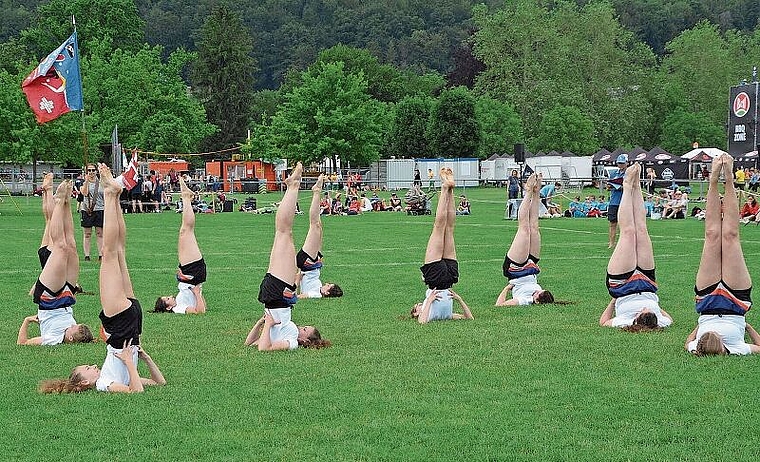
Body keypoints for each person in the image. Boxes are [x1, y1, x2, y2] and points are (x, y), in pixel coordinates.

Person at [39, 164, 166, 393]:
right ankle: (110, 194)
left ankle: (114, 195)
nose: (94, 365)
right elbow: (138, 390)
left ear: (83, 382)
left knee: (117, 252)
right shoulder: (102, 384)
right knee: (110, 253)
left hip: (129, 326)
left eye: (87, 366)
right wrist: (136, 359)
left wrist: (138, 359)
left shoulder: (102, 381)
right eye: (89, 367)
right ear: (85, 381)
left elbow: (156, 383)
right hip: (122, 326)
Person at [245, 163, 331, 350]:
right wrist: (261, 323)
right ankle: (295, 186)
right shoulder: (288, 331)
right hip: (276, 296)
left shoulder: (292, 341)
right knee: (285, 232)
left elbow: (263, 348)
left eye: (306, 329)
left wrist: (266, 324)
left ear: (305, 341)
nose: (303, 327)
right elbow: (250, 342)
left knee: (284, 232)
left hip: (278, 296)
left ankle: (293, 185)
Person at [686, 154, 760, 355]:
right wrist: (747, 327)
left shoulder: (695, 347)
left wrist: (700, 326)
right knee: (730, 236)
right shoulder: (735, 349)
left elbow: (688, 343)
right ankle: (729, 178)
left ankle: (712, 181)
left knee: (711, 236)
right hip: (736, 302)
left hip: (707, 303)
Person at [18, 178, 93, 346]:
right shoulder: (72, 330)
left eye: (75, 328)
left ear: (71, 338)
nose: (74, 325)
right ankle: (66, 202)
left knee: (60, 247)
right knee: (71, 246)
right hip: (67, 298)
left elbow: (22, 342)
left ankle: (59, 201)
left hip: (49, 300)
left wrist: (28, 320)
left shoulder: (54, 339)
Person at [599, 163, 673, 331]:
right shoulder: (661, 321)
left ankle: (626, 187)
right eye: (650, 312)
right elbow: (669, 318)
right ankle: (637, 184)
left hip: (622, 285)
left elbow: (603, 321)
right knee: (641, 229)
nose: (645, 310)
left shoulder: (625, 321)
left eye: (644, 312)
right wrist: (656, 306)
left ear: (637, 318)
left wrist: (614, 300)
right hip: (647, 283)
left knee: (628, 233)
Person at [410, 168, 474, 323]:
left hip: (450, 277)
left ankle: (450, 189)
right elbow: (422, 322)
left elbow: (468, 318)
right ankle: (446, 188)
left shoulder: (443, 315)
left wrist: (456, 299)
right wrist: (432, 301)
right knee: (439, 228)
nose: (418, 305)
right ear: (416, 313)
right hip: (437, 280)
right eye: (416, 308)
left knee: (449, 229)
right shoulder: (428, 313)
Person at [496, 173, 555, 307]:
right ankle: (536, 191)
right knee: (534, 227)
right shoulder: (541, 293)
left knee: (524, 229)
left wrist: (507, 288)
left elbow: (499, 305)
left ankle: (528, 190)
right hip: (531, 267)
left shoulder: (525, 300)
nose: (536, 291)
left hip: (516, 270)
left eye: (536, 294)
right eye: (540, 291)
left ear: (536, 300)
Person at [153, 178, 208, 314]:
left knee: (185, 231)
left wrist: (198, 291)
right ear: (168, 307)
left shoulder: (178, 302)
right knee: (186, 231)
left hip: (191, 275)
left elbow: (203, 305)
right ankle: (186, 197)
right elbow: (200, 311)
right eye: (167, 298)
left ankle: (186, 197)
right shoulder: (178, 308)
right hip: (192, 275)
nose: (170, 296)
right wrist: (196, 292)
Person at [296, 175, 343, 300]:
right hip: (314, 264)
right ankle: (317, 191)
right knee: (319, 226)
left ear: (327, 293)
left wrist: (294, 288)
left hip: (308, 263)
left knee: (314, 226)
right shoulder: (318, 288)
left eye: (328, 286)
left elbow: (299, 296)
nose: (326, 283)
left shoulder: (316, 294)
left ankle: (317, 191)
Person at [80, 163, 104, 261]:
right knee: (87, 233)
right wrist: (86, 181)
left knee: (99, 233)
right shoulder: (84, 183)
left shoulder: (101, 183)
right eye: (89, 170)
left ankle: (101, 254)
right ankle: (87, 255)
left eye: (93, 170)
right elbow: (84, 193)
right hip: (87, 210)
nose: (91, 172)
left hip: (99, 209)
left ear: (96, 171)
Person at [607, 154, 628, 248]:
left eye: (622, 163)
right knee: (612, 223)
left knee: (624, 224)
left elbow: (630, 187)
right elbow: (608, 185)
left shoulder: (629, 174)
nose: (620, 165)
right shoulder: (613, 173)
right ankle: (611, 243)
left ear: (626, 163)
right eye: (619, 163)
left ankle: (623, 243)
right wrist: (609, 186)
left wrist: (619, 187)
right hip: (614, 201)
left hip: (625, 201)